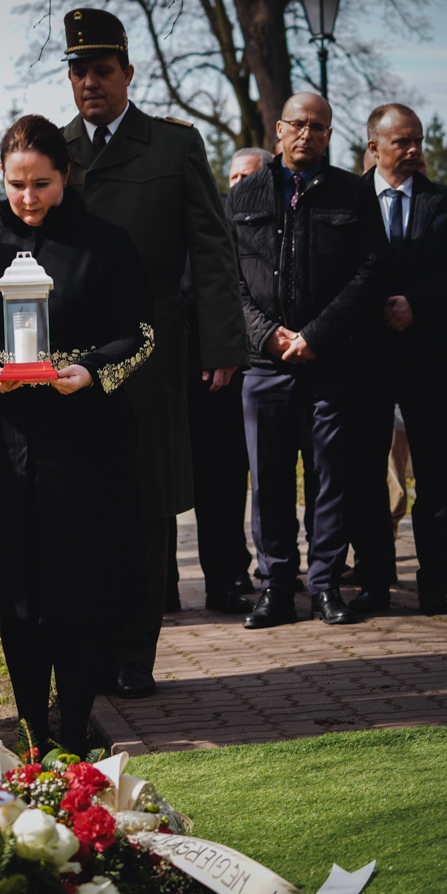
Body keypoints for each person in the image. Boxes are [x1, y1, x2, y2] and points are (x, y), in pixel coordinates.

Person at [0, 114, 153, 753]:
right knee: (18, 599)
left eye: (42, 183)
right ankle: (33, 734)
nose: (27, 198)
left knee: (81, 598)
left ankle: (76, 729)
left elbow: (141, 335)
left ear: (66, 176)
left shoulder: (107, 244)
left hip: (87, 446)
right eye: (15, 184)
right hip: (3, 448)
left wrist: (89, 370)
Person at [59, 8, 248, 696]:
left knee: (145, 500)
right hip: (72, 353)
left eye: (102, 70)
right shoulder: (53, 149)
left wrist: (225, 342)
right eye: (78, 71)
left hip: (151, 348)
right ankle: (89, 643)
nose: (89, 83)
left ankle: (135, 654)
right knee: (79, 502)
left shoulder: (173, 147)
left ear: (127, 73)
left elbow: (213, 250)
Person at [229, 92, 387, 629]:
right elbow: (228, 278)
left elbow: (370, 271)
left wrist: (317, 334)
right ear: (278, 129)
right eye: (298, 124)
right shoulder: (244, 194)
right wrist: (268, 334)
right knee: (268, 480)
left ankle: (324, 585)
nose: (307, 135)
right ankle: (276, 588)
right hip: (264, 363)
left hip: (331, 360)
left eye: (318, 127)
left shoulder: (353, 193)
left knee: (329, 478)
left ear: (329, 134)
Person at [348, 104, 447, 616]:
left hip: (429, 357)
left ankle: (434, 579)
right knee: (365, 474)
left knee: (434, 475)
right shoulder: (348, 200)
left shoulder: (446, 203)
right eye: (400, 142)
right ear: (374, 148)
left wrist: (418, 304)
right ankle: (374, 582)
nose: (412, 150)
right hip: (365, 360)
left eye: (417, 141)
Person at [165, 146, 272, 614]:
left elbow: (227, 286)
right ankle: (161, 584)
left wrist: (224, 353)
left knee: (222, 480)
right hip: (160, 364)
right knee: (158, 479)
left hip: (215, 368)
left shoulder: (224, 221)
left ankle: (225, 578)